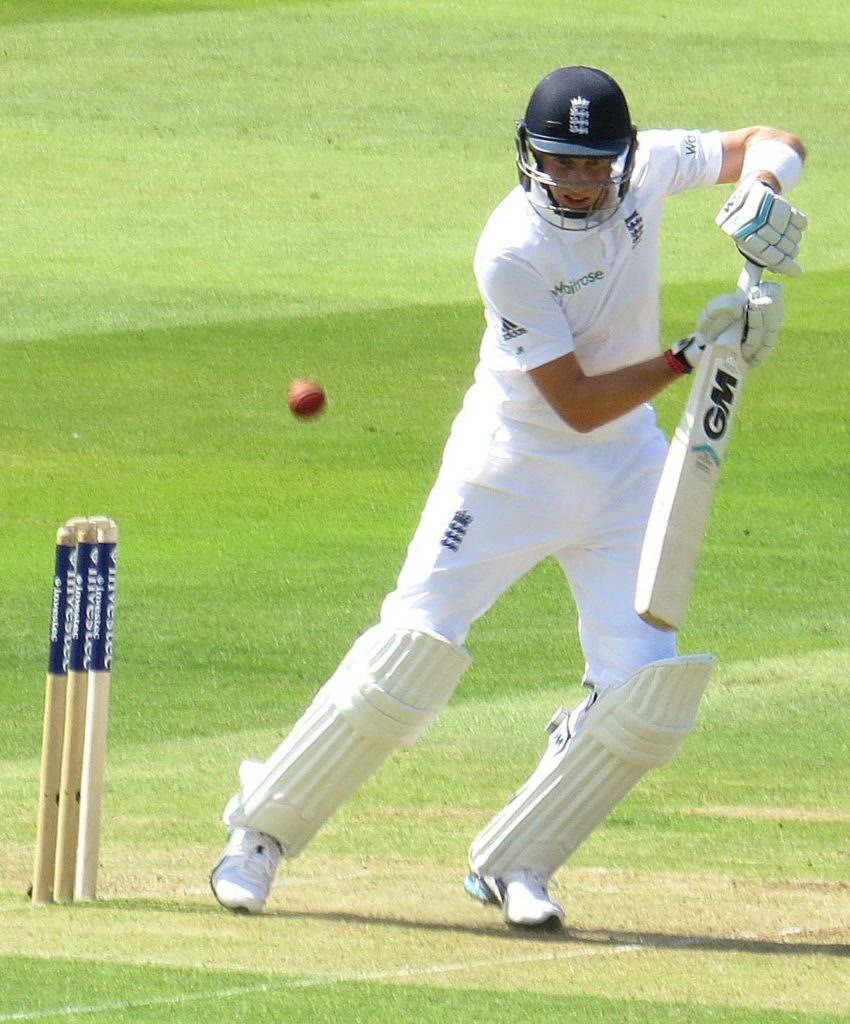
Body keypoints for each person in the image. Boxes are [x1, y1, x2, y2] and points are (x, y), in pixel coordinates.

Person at [210, 66, 807, 928]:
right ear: (531, 156)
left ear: (622, 157)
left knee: (645, 696)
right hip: (509, 468)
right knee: (409, 655)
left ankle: (519, 860)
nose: (578, 181)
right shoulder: (511, 249)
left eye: (593, 164)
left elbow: (772, 142)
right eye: (560, 162)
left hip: (624, 472)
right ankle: (259, 835)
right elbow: (579, 403)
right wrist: (691, 355)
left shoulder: (649, 166)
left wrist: (762, 193)